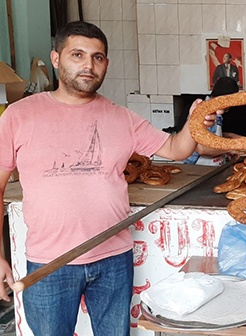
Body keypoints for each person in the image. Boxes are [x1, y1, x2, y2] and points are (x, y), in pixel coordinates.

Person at [0, 21, 217, 335]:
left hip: (113, 259)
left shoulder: (121, 117)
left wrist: (194, 122)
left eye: (97, 57)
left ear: (106, 64)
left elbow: (176, 148)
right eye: (77, 54)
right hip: (50, 264)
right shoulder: (19, 116)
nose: (88, 65)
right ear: (56, 58)